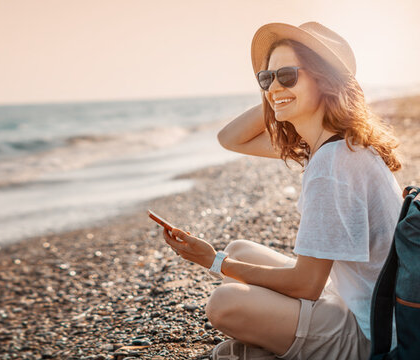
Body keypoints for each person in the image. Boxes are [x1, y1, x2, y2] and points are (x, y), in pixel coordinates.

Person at [161, 21, 403, 360]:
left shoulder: (331, 166)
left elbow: (307, 284)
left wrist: (213, 261)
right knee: (240, 249)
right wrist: (281, 93)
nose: (273, 86)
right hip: (361, 304)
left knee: (223, 304)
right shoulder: (332, 144)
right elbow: (229, 138)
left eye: (288, 75)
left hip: (373, 336)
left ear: (325, 80)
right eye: (266, 78)